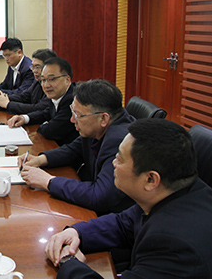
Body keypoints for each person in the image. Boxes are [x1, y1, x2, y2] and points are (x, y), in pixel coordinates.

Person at [45, 118, 212, 279]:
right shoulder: (180, 190)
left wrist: (69, 262)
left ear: (150, 179)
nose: (113, 163)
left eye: (120, 159)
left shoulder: (174, 246)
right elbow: (125, 223)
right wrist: (77, 233)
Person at [19, 79, 134, 215]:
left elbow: (99, 196)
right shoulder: (98, 126)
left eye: (78, 115)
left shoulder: (119, 142)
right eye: (72, 112)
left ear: (103, 118)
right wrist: (40, 159)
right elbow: (74, 149)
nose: (72, 120)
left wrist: (48, 181)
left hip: (118, 217)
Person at [8, 57, 79, 146]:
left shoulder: (73, 100)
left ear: (67, 80)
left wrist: (41, 126)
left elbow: (51, 131)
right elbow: (46, 113)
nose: (46, 85)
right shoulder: (58, 95)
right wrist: (24, 118)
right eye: (43, 80)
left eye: (52, 79)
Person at [0, 48, 56, 114]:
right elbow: (25, 96)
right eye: (33, 67)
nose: (34, 71)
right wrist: (4, 98)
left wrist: (8, 104)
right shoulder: (38, 81)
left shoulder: (53, 86)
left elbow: (38, 108)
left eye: (37, 67)